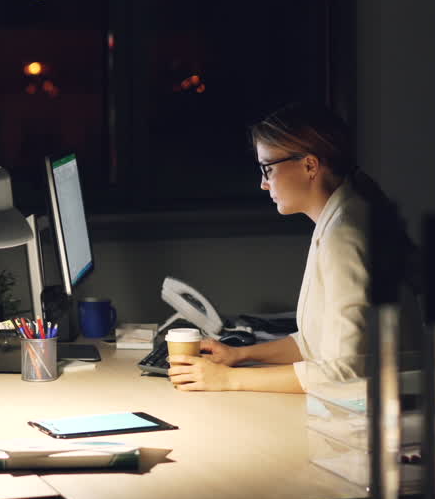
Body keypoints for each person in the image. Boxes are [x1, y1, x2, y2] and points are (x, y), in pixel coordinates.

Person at [169, 102, 414, 394]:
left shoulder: (344, 235)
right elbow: (314, 344)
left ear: (310, 165)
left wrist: (227, 380)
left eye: (267, 169)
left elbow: (345, 370)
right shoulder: (339, 218)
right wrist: (239, 355)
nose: (263, 183)